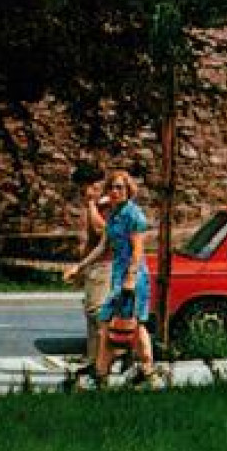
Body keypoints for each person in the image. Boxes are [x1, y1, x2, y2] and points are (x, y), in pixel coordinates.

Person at [65, 170, 159, 386]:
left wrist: (131, 278)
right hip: (118, 276)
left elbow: (137, 250)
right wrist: (79, 267)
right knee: (108, 323)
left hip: (133, 277)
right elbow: (102, 246)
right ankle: (102, 372)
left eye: (120, 187)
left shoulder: (134, 215)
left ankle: (146, 370)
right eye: (112, 188)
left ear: (128, 190)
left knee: (135, 325)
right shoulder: (115, 215)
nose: (115, 191)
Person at [71, 165, 114, 379]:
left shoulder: (105, 204)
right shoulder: (97, 204)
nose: (81, 193)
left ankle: (101, 364)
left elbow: (100, 231)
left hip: (104, 266)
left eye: (83, 188)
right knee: (91, 313)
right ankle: (92, 359)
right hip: (93, 266)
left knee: (98, 316)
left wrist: (90, 204)